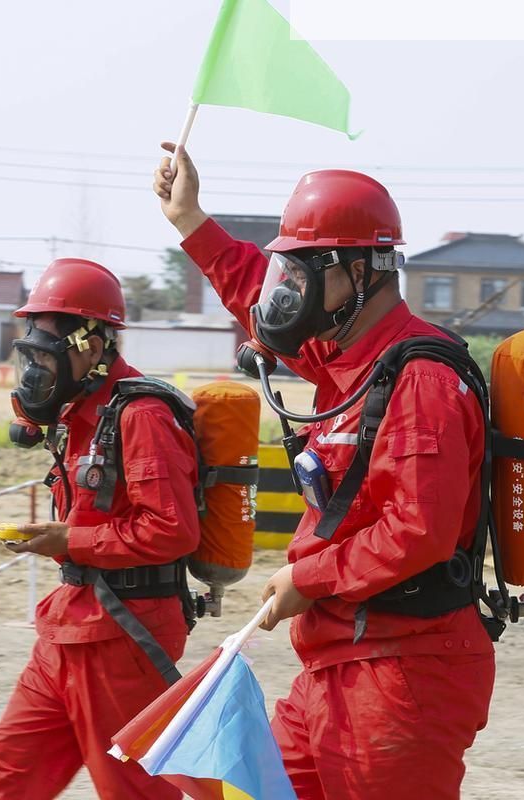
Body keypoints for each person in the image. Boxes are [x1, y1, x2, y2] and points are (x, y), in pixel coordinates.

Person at [154, 144, 496, 799]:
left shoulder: (419, 377)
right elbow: (257, 294)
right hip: (337, 664)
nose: (291, 290)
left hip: (404, 673)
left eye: (306, 272)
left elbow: (418, 529)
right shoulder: (349, 362)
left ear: (359, 272)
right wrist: (190, 220)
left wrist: (308, 577)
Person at [0, 257, 199, 800]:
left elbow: (172, 530)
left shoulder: (140, 413)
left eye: (45, 355)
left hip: (125, 631)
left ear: (91, 348)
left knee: (131, 789)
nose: (35, 372)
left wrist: (67, 540)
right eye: (30, 355)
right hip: (69, 623)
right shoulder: (80, 414)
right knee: (10, 769)